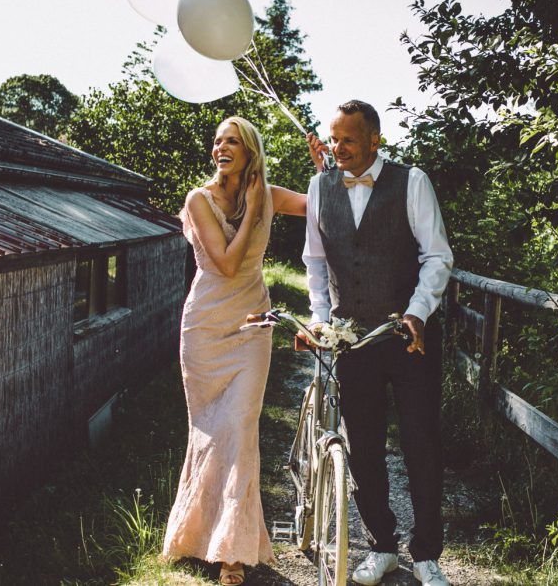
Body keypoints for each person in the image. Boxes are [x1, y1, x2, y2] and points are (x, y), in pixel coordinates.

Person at [303, 100, 454, 586]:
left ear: (375, 140)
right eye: (333, 138)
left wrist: (417, 311)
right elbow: (315, 265)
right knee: (363, 447)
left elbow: (437, 256)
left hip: (409, 340)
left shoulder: (411, 182)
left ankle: (427, 554)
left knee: (420, 443)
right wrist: (321, 323)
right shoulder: (319, 187)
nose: (337, 147)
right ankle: (382, 546)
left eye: (348, 138)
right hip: (354, 343)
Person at [162, 116, 307, 586]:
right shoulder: (199, 199)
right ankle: (196, 535)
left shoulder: (268, 193)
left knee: (241, 428)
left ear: (250, 152)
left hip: (251, 328)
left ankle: (232, 552)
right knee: (210, 430)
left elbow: (319, 206)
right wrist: (252, 208)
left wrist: (325, 170)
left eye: (232, 141)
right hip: (206, 328)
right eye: (218, 141)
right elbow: (225, 263)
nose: (221, 147)